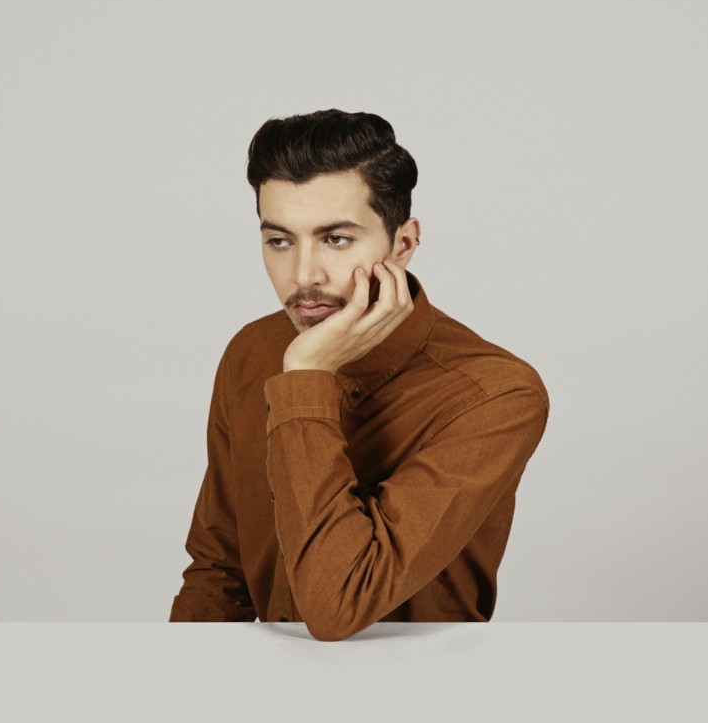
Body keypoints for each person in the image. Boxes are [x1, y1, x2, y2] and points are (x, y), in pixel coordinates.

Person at [168, 110, 549, 641]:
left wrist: (306, 377)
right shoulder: (252, 352)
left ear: (403, 244)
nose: (303, 276)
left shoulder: (495, 395)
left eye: (337, 239)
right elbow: (219, 567)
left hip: (421, 684)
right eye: (280, 241)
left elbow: (338, 606)